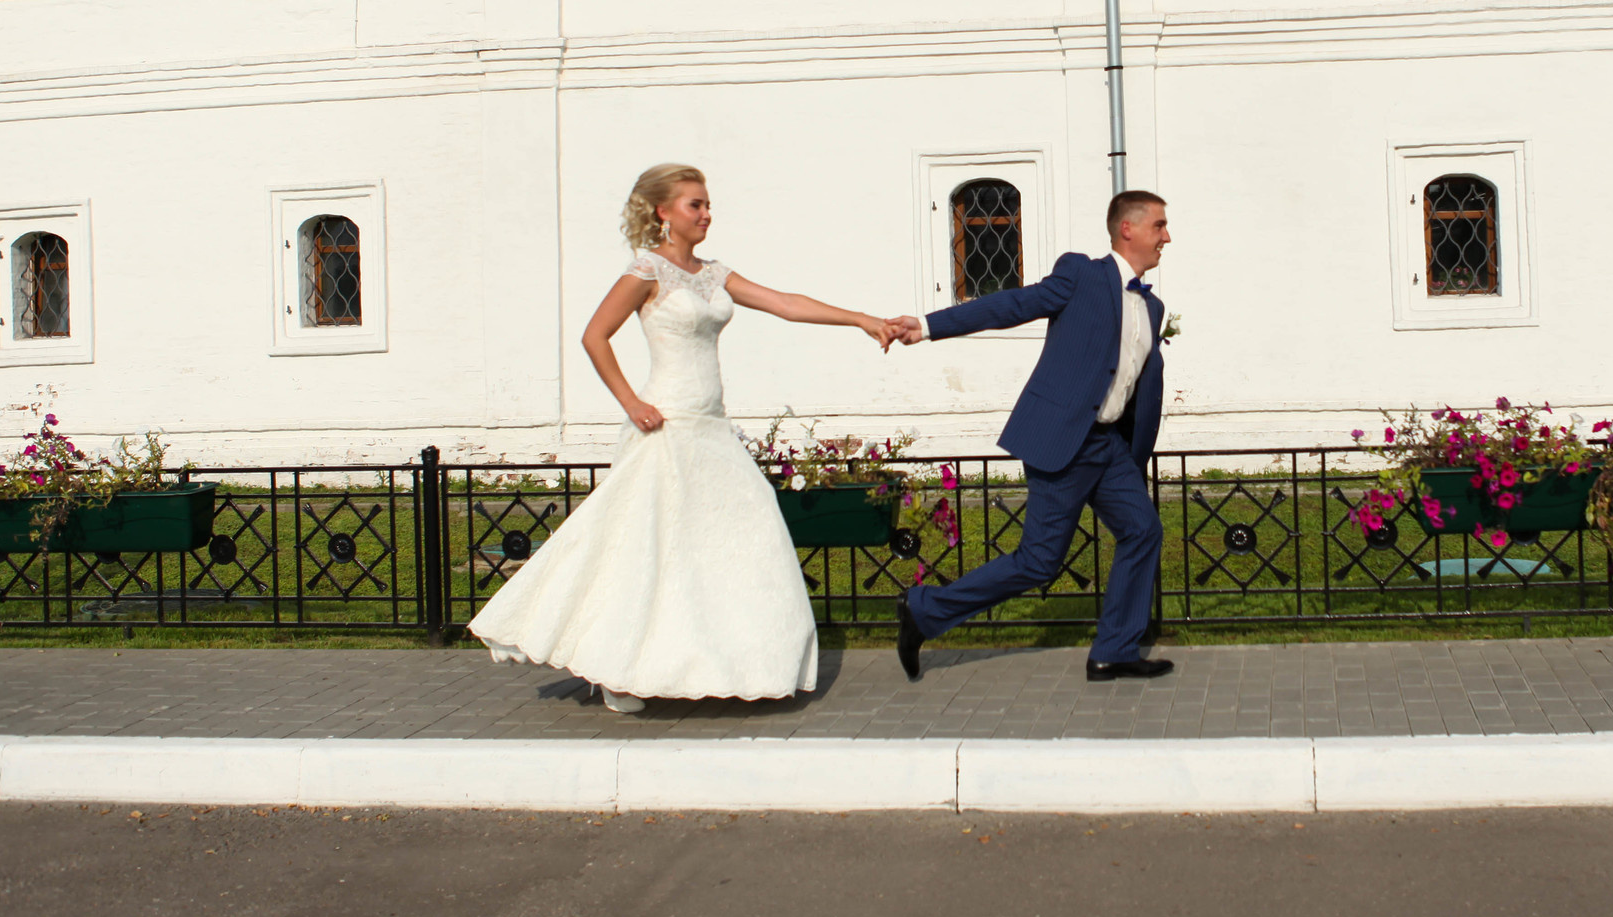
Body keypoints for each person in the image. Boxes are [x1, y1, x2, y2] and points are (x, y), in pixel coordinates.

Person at [469, 163, 898, 713]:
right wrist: (631, 403)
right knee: (647, 549)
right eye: (694, 204)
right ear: (663, 212)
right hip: (665, 424)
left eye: (707, 204)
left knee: (734, 540)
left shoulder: (714, 274)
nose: (706, 213)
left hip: (711, 427)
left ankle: (735, 660)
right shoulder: (646, 270)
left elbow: (786, 303)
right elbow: (594, 336)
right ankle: (616, 669)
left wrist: (863, 319)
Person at [889, 190, 1174, 683]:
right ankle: (924, 609)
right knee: (1040, 561)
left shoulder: (1152, 307)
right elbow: (1013, 304)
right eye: (1159, 226)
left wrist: (1133, 455)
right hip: (1064, 440)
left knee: (1143, 530)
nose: (1166, 237)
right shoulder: (1082, 273)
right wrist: (930, 326)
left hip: (1108, 449)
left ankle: (1115, 651)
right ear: (1127, 229)